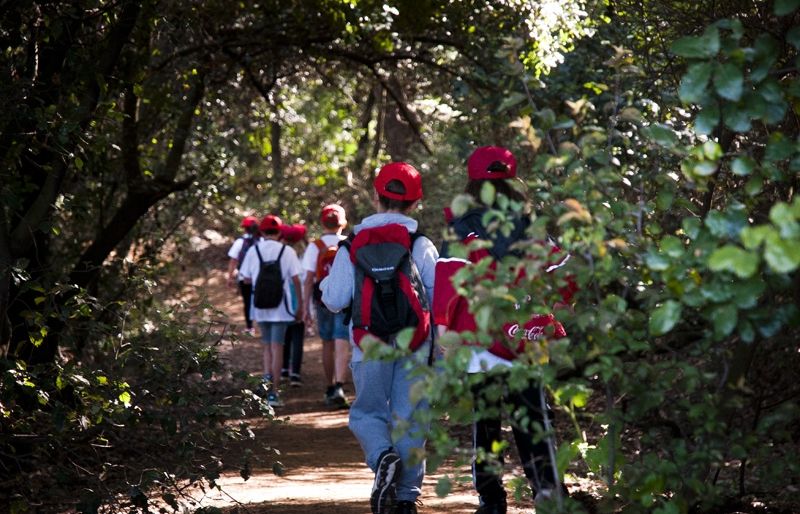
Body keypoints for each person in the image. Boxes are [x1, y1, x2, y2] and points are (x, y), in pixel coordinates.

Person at [432, 146, 575, 514]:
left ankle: (492, 500)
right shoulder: (531, 225)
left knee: (486, 422)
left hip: (480, 341)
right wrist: (558, 308)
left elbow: (449, 281)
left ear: (471, 183)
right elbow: (562, 272)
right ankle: (547, 490)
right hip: (526, 337)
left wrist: (445, 331)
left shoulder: (461, 228)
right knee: (534, 416)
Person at [320, 162, 438, 514]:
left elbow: (334, 299)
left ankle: (382, 455)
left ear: (375, 196)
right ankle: (406, 499)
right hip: (415, 344)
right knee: (410, 417)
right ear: (415, 202)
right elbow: (436, 298)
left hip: (368, 343)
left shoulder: (352, 245)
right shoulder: (420, 243)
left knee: (368, 412)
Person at [239, 214, 304, 407]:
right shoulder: (287, 251)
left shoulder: (254, 250)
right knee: (278, 348)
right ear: (279, 232)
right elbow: (296, 280)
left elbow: (245, 278)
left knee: (267, 347)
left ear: (262, 232)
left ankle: (266, 383)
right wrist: (300, 305)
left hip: (260, 307)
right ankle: (274, 393)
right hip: (281, 308)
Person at [301, 204, 350, 407]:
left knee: (327, 343)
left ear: (322, 223)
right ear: (343, 223)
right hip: (345, 300)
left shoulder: (315, 246)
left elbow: (308, 279)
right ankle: (339, 386)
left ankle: (329, 387)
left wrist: (305, 308)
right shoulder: (350, 243)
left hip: (322, 300)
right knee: (342, 341)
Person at [280, 223, 308, 387]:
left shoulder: (282, 252)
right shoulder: (304, 254)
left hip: (284, 300)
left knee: (285, 336)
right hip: (299, 298)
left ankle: (284, 369)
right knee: (298, 338)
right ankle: (295, 373)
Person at [226, 215, 260, 336]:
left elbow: (233, 261)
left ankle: (250, 328)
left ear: (244, 228)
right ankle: (263, 326)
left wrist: (230, 277)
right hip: (260, 277)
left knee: (247, 301)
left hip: (244, 277)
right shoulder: (261, 241)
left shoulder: (240, 242)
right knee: (260, 300)